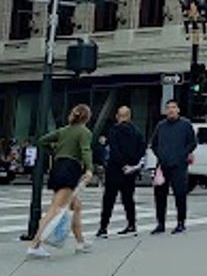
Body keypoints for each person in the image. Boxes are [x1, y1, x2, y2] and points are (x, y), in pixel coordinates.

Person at [28, 104, 94, 258]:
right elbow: (85, 150)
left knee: (75, 205)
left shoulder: (64, 130)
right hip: (71, 168)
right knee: (56, 208)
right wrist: (89, 168)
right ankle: (35, 244)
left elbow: (42, 140)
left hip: (58, 166)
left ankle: (80, 241)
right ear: (87, 117)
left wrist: (55, 151)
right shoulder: (84, 132)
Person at [149, 99, 197, 235]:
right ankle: (160, 223)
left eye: (173, 107)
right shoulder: (161, 126)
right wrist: (161, 155)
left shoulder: (185, 125)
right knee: (160, 195)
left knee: (180, 194)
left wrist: (183, 154)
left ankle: (181, 223)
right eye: (168, 108)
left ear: (178, 110)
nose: (170, 110)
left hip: (179, 166)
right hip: (163, 166)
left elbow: (192, 143)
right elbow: (154, 144)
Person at [98, 106, 146, 238]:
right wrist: (131, 164)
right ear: (129, 117)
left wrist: (122, 164)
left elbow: (114, 149)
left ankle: (103, 227)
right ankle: (131, 224)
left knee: (109, 199)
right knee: (128, 198)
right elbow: (141, 149)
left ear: (118, 116)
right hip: (129, 171)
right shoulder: (137, 132)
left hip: (115, 169)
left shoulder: (114, 130)